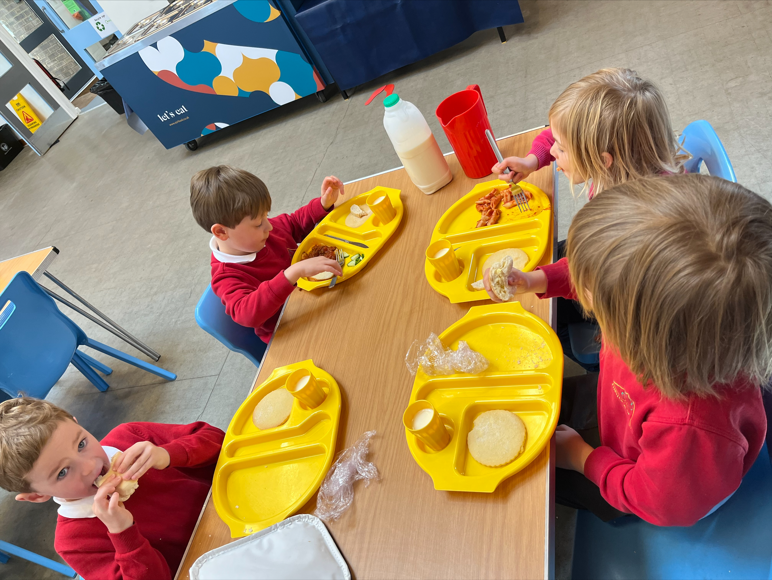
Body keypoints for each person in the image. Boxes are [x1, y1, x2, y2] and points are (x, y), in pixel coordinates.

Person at [483, 174, 770, 525]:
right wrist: (536, 279)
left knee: (535, 478)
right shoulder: (665, 329)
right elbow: (604, 274)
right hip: (621, 406)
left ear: (643, 324)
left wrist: (583, 459)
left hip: (636, 482)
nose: (584, 289)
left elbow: (656, 501)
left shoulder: (690, 431)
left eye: (590, 291)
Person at [492, 68, 688, 371]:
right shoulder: (631, 156)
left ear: (601, 160)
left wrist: (533, 280)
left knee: (552, 321)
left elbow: (591, 273)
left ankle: (595, 370)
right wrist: (532, 160)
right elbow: (559, 131)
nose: (553, 151)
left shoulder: (631, 225)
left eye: (561, 149)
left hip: (627, 306)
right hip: (605, 266)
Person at [0, 397, 225, 579]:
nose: (91, 466)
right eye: (62, 472)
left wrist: (168, 454)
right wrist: (123, 532)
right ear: (37, 495)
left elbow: (219, 440)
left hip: (233, 504)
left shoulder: (128, 437)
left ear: (78, 424)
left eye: (81, 444)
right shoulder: (74, 542)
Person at [190, 166, 344, 343]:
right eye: (258, 223)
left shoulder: (263, 231)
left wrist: (322, 204)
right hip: (291, 333)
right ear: (221, 232)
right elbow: (246, 314)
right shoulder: (226, 276)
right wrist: (292, 273)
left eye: (266, 216)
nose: (269, 226)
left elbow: (294, 223)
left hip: (317, 301)